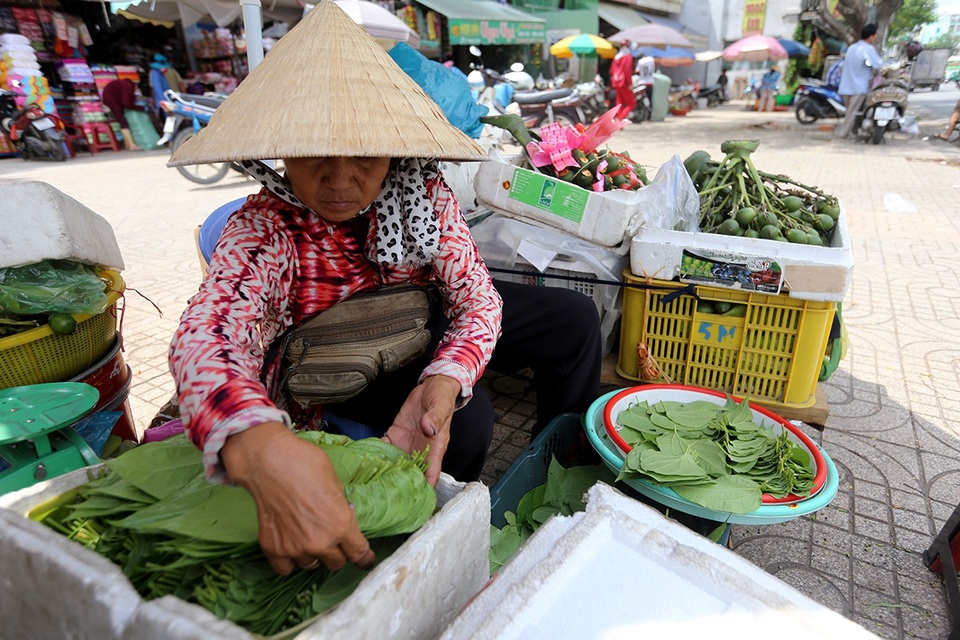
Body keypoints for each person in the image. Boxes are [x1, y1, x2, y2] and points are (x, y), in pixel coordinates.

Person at [167, 1, 601, 577]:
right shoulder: (266, 229)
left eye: (365, 155)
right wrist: (255, 442)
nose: (341, 180)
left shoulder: (423, 195)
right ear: (283, 147)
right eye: (316, 153)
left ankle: (556, 462)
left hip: (422, 321)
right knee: (464, 423)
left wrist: (449, 373)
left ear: (394, 149)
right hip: (341, 356)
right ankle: (434, 523)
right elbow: (206, 337)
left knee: (573, 319)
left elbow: (476, 299)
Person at [835, 23, 883, 139]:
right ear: (871, 36)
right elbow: (879, 64)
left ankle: (854, 131)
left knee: (850, 112)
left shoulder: (852, 48)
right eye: (875, 35)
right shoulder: (868, 49)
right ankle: (843, 134)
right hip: (858, 87)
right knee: (851, 113)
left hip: (845, 86)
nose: (875, 38)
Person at [100, 78, 142, 151]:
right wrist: (141, 108)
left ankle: (127, 145)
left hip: (111, 100)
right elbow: (126, 103)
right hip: (113, 102)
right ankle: (132, 145)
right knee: (123, 123)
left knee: (122, 122)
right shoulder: (128, 86)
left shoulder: (125, 84)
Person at [609, 41, 636, 120]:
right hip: (624, 83)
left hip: (616, 82)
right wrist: (630, 83)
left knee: (620, 103)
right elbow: (627, 71)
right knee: (631, 104)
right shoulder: (628, 57)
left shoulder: (616, 57)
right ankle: (620, 118)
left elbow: (611, 71)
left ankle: (619, 119)